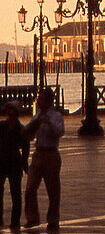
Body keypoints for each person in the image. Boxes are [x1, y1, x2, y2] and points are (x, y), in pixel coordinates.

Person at [23, 90, 63, 231]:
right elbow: (28, 135)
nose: (38, 102)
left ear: (48, 101)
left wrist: (49, 122)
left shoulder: (56, 116)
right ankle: (32, 218)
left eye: (41, 99)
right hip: (39, 153)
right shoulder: (36, 117)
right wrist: (34, 125)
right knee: (30, 188)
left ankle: (53, 219)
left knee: (53, 190)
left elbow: (60, 132)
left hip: (51, 153)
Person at [0, 102, 28, 229]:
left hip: (14, 162)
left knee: (15, 193)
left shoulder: (20, 128)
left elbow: (26, 147)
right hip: (2, 161)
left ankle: (15, 221)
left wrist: (24, 163)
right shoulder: (2, 126)